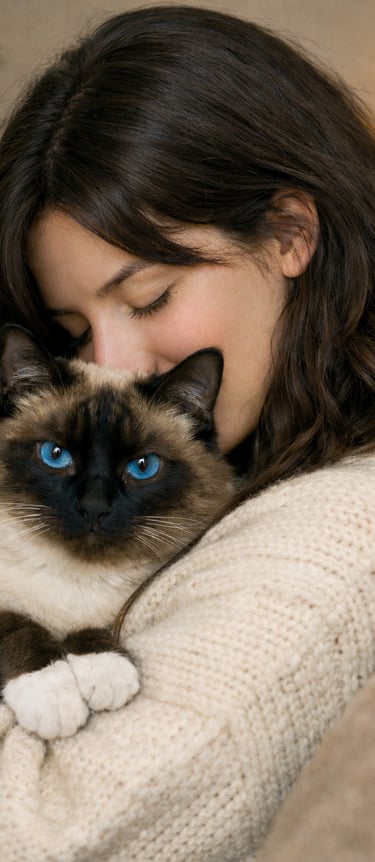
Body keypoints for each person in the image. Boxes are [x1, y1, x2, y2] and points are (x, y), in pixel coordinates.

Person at [0, 5, 375, 859]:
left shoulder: (339, 536)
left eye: (149, 299)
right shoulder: (230, 469)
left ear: (290, 233)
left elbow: (55, 833)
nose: (114, 363)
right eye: (71, 327)